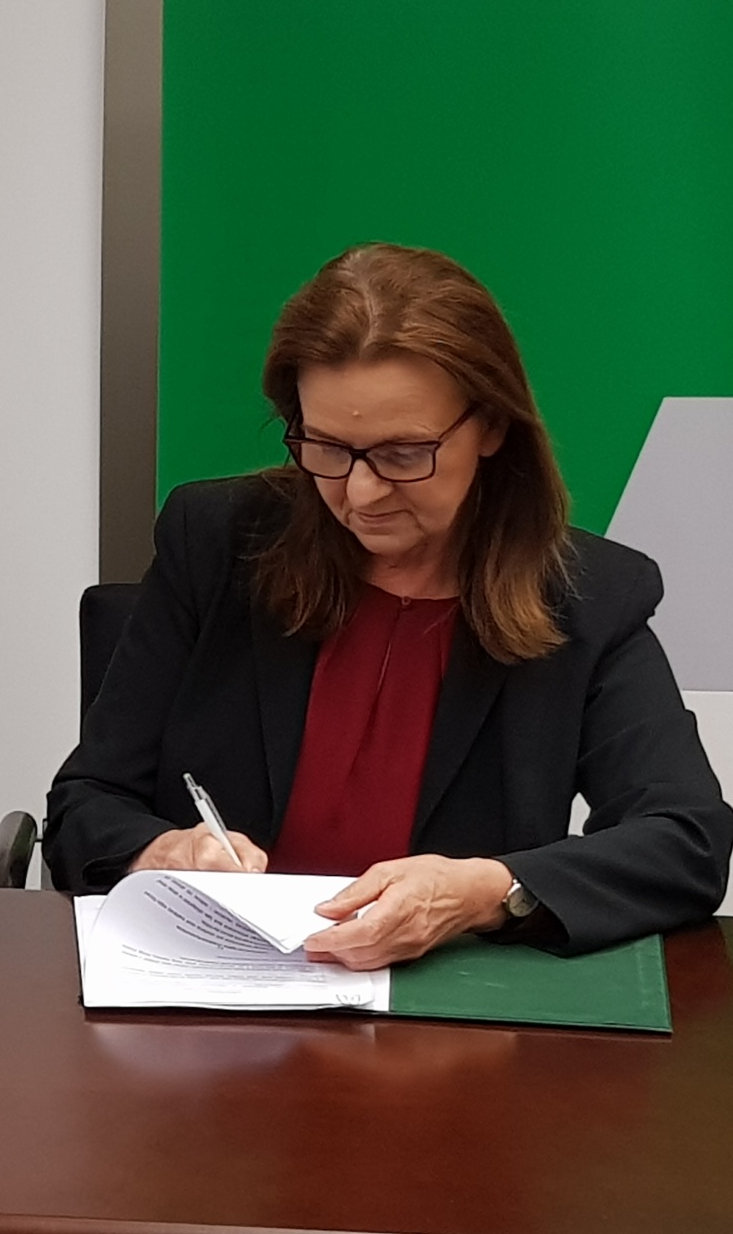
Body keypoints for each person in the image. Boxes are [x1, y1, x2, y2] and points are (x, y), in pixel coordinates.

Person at [46, 244, 731, 966]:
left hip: (449, 1010)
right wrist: (160, 852)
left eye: (403, 454)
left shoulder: (586, 596)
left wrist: (489, 892)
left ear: (492, 427)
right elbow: (86, 805)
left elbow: (685, 841)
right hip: (220, 993)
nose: (362, 493)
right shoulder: (217, 543)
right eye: (327, 448)